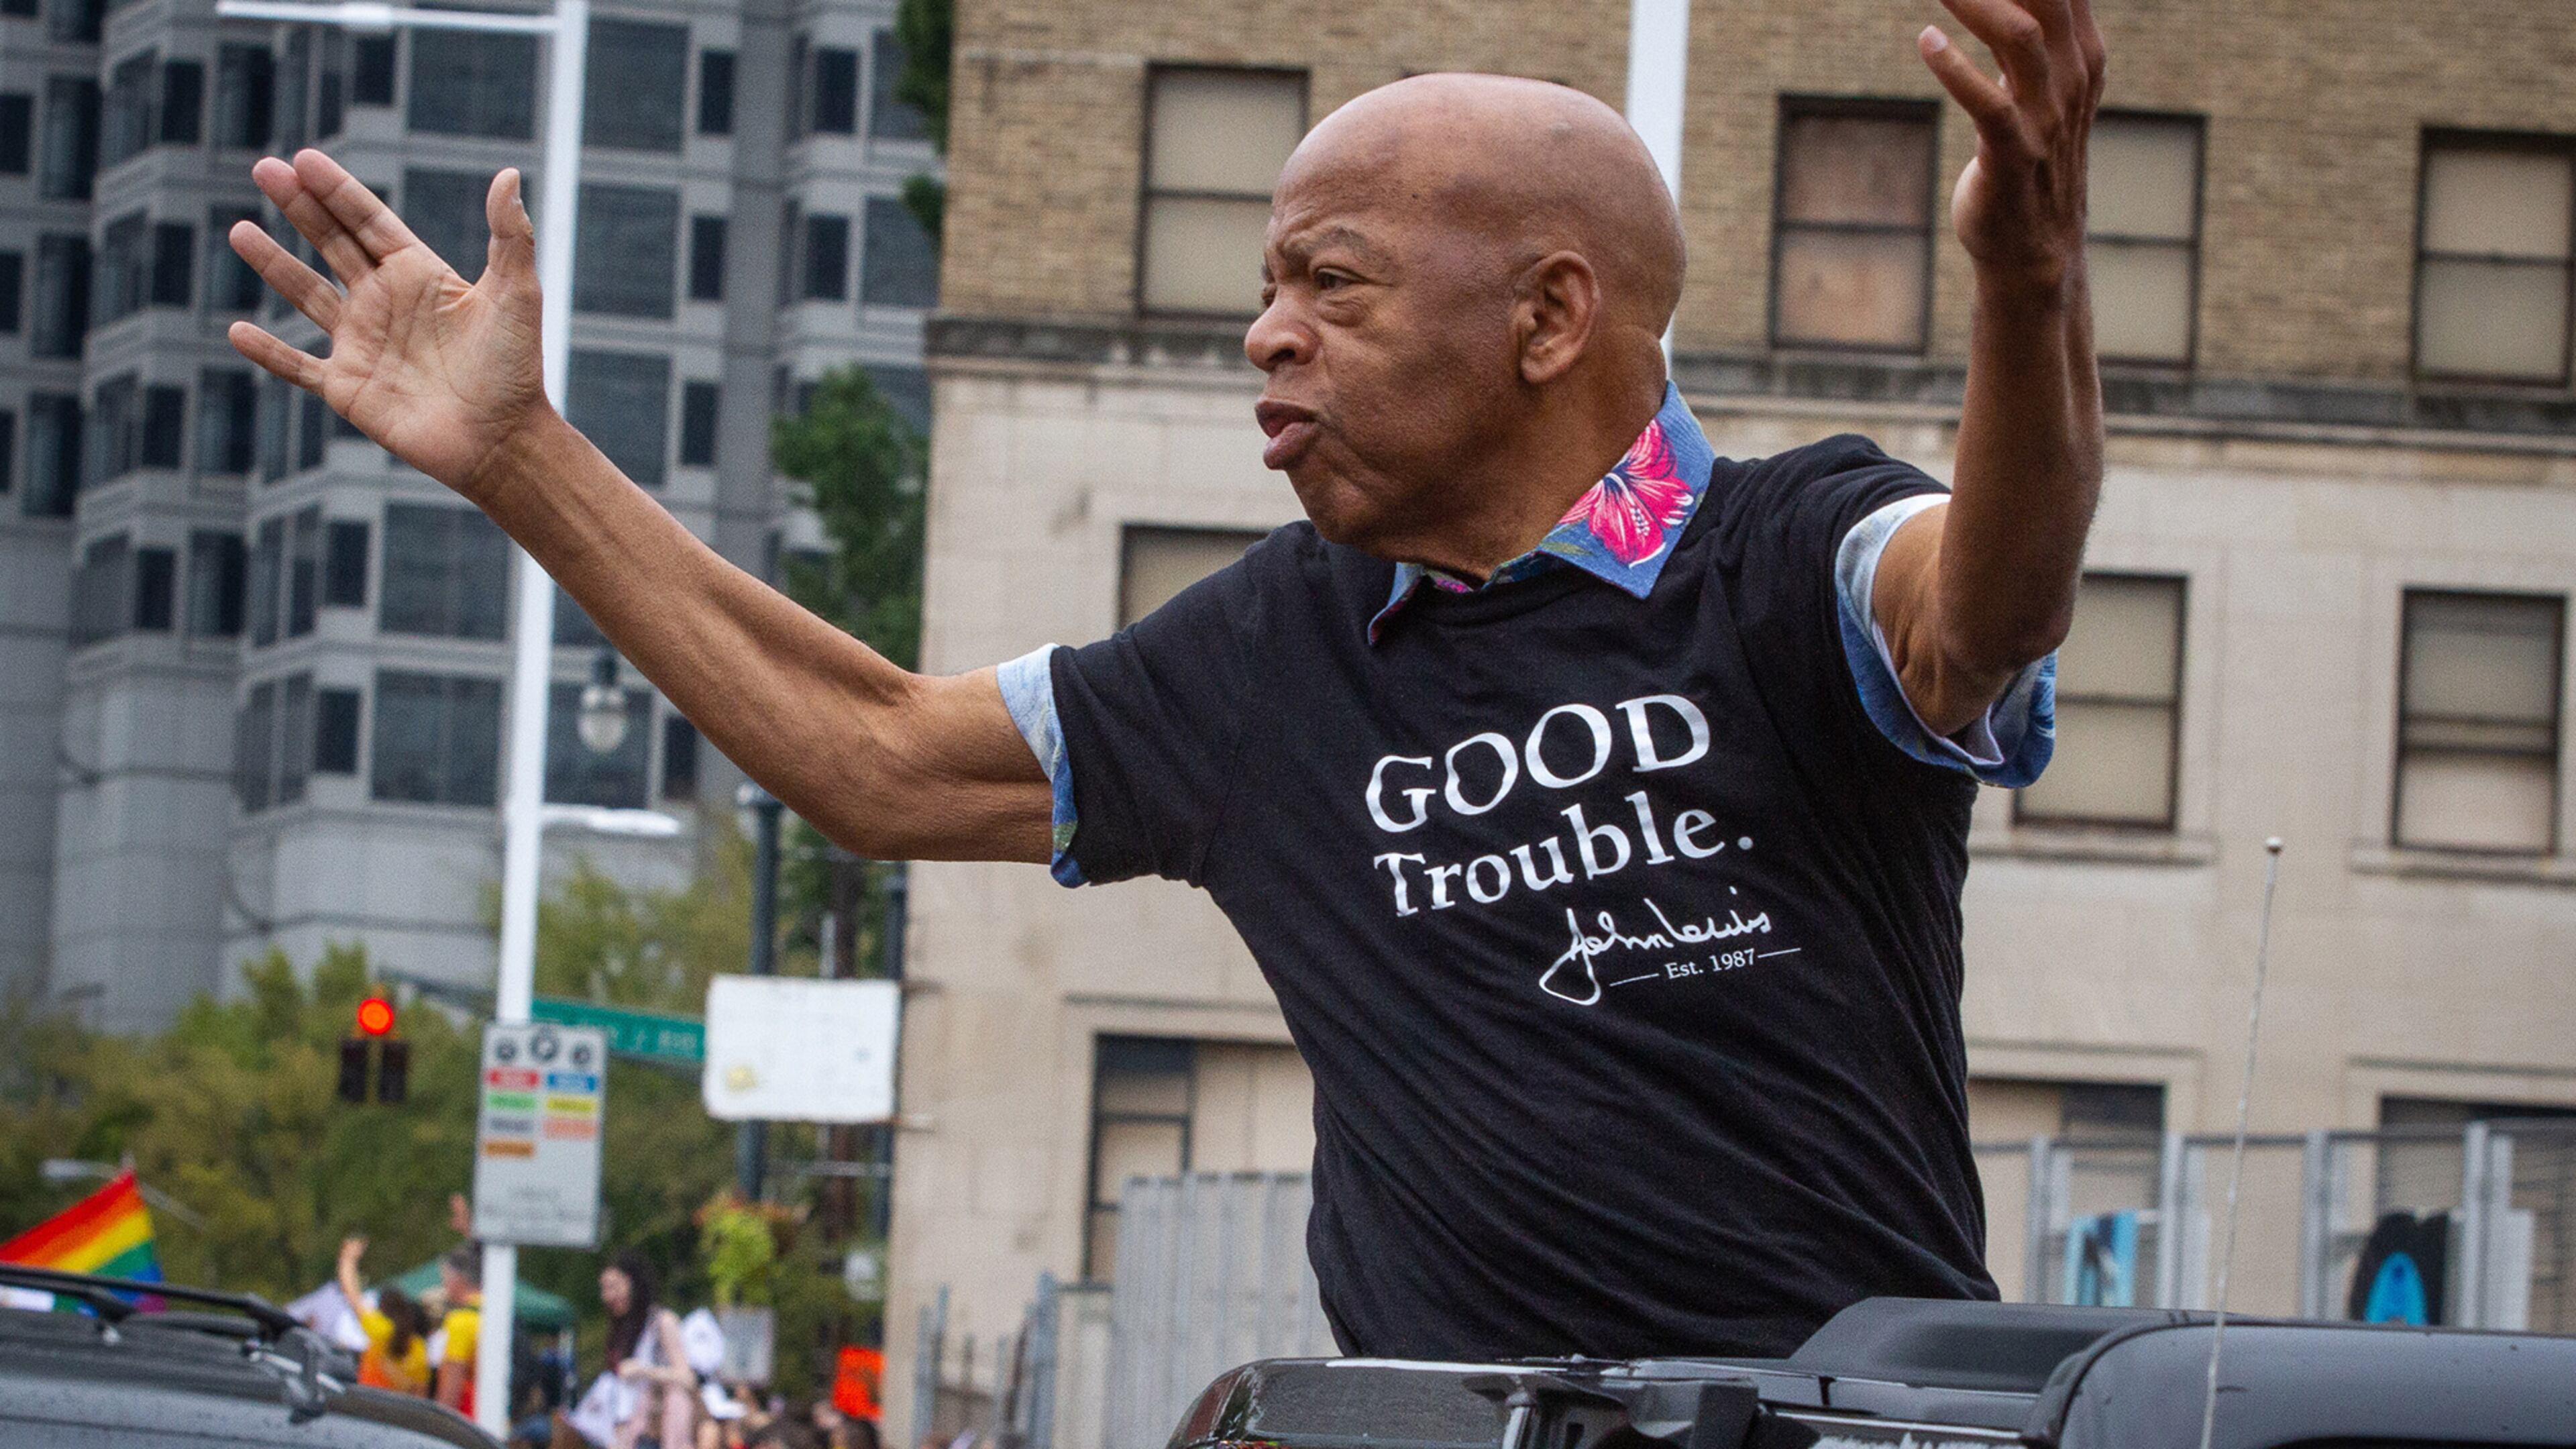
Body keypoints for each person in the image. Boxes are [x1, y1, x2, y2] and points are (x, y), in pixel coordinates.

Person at [223, 0, 2104, 1359]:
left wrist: (2027, 294)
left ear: (1548, 317)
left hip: (1850, 1419)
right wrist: (521, 458)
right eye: (1265, 280)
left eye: (1332, 282)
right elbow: (875, 757)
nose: (1265, 332)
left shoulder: (1785, 556)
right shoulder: (1268, 653)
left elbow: (1988, 611)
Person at [601, 1250, 696, 1449]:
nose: (607, 1296)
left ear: (633, 1283)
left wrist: (644, 1370)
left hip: (655, 1432)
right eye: (604, 1289)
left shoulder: (662, 1322)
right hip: (625, 1434)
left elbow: (687, 1377)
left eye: (614, 1286)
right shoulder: (621, 1330)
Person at [333, 1236, 432, 1395]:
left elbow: (352, 1295)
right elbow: (421, 1393)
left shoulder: (381, 1330)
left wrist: (348, 1259)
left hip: (370, 1403)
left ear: (383, 1308)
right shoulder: (418, 1347)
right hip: (400, 1413)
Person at [433, 1242, 483, 1415]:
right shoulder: (496, 1313)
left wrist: (440, 1422)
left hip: (470, 1421)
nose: (444, 1285)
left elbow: (451, 1388)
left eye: (445, 1277)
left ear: (458, 1279)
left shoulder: (460, 1320)